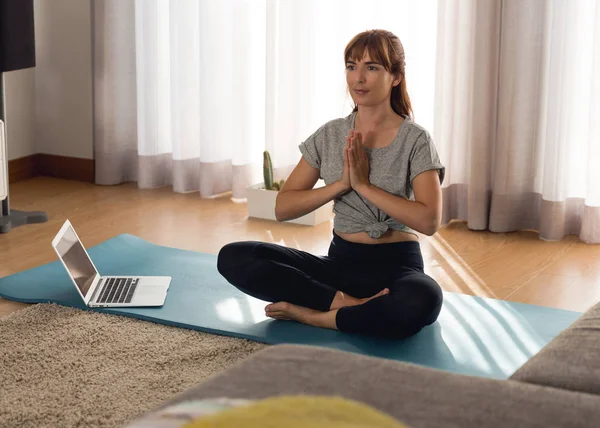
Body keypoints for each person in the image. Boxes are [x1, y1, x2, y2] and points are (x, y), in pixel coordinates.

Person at [217, 29, 445, 339]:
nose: (358, 78)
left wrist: (365, 186)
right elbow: (283, 208)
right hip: (339, 266)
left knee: (423, 300)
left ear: (395, 76)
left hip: (397, 267)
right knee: (234, 257)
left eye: (372, 67)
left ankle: (314, 317)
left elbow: (429, 221)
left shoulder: (416, 139)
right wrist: (340, 185)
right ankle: (346, 305)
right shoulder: (330, 134)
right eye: (351, 66)